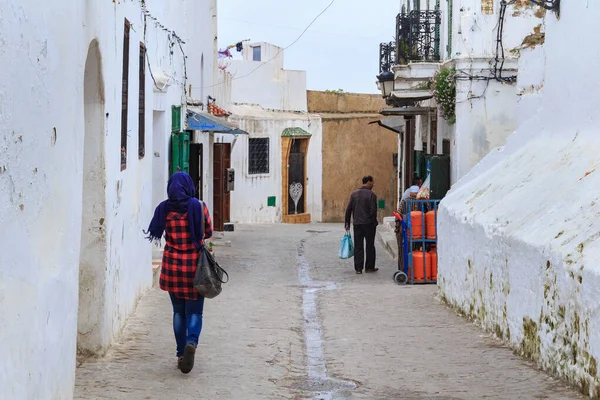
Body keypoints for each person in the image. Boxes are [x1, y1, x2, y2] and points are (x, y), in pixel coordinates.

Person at [145, 172, 213, 374]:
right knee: (194, 311)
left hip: (173, 268)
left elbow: (155, 231)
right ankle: (191, 342)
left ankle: (181, 354)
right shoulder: (198, 207)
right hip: (194, 268)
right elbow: (208, 232)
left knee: (178, 312)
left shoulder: (164, 208)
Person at [344, 176, 379, 274]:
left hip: (357, 224)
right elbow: (373, 211)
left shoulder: (354, 194)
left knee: (358, 246)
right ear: (368, 182)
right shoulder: (372, 195)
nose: (373, 184)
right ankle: (369, 267)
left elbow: (348, 209)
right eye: (372, 182)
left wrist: (347, 223)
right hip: (369, 224)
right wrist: (373, 222)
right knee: (370, 246)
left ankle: (358, 268)